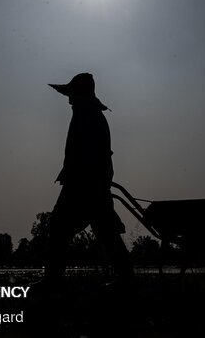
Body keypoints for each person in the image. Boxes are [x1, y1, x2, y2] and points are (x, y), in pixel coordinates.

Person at [44, 73, 133, 287]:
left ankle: (52, 281)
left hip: (84, 184)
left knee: (59, 228)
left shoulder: (89, 116)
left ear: (81, 95)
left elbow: (99, 154)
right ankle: (127, 279)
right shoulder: (86, 113)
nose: (69, 100)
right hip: (87, 183)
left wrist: (90, 180)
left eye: (72, 95)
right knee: (105, 232)